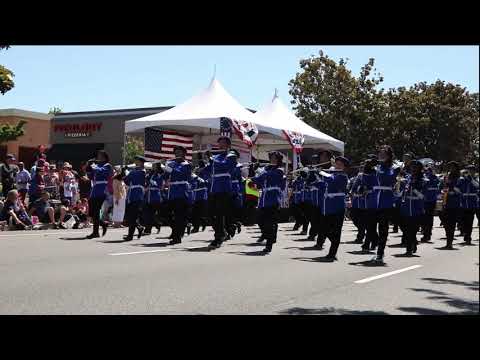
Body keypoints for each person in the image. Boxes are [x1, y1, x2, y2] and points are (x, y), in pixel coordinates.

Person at [203, 136, 237, 249]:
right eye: (219, 144)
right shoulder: (216, 157)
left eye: (223, 143)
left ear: (228, 145)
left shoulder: (231, 155)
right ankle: (222, 232)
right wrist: (203, 162)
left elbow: (226, 167)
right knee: (208, 214)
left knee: (219, 214)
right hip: (213, 188)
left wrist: (212, 159)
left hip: (223, 188)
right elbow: (208, 170)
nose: (220, 146)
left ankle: (218, 237)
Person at [370, 145, 401, 262]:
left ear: (389, 156)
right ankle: (377, 243)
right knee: (370, 226)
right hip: (374, 199)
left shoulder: (394, 168)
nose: (381, 156)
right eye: (380, 154)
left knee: (383, 228)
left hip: (386, 199)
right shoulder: (375, 166)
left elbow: (390, 178)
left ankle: (380, 252)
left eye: (384, 154)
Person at [251, 151, 286, 253]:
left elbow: (268, 176)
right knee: (260, 220)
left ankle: (268, 245)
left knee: (270, 223)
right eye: (271, 158)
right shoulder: (266, 169)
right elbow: (259, 181)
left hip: (274, 199)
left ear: (278, 160)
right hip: (264, 199)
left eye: (275, 158)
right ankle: (268, 236)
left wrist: (259, 171)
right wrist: (253, 173)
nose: (272, 160)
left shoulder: (280, 170)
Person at [316, 156, 349, 261]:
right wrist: (311, 175)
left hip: (337, 206)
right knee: (324, 229)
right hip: (328, 206)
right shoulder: (332, 174)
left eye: (340, 165)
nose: (337, 166)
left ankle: (332, 253)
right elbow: (323, 185)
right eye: (336, 164)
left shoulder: (343, 176)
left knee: (336, 231)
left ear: (344, 167)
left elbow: (331, 180)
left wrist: (320, 172)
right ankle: (333, 250)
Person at [162, 146, 192, 245]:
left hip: (182, 192)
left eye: (179, 152)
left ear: (184, 154)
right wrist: (163, 168)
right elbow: (165, 177)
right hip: (172, 193)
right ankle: (179, 229)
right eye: (176, 152)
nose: (177, 154)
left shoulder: (187, 164)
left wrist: (168, 168)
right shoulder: (171, 164)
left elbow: (181, 174)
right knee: (165, 214)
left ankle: (177, 236)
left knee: (179, 216)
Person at [400, 160, 428, 256]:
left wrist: (415, 189)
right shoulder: (408, 178)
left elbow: (423, 196)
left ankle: (410, 247)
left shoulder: (424, 180)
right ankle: (412, 244)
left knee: (413, 229)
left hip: (417, 207)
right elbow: (403, 191)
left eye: (415, 167)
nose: (413, 169)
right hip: (407, 206)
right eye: (412, 167)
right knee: (406, 229)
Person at [85, 150, 113, 239]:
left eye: (100, 155)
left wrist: (93, 166)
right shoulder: (96, 165)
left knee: (96, 211)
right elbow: (91, 176)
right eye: (98, 155)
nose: (98, 157)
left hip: (102, 189)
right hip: (95, 189)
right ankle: (103, 224)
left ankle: (95, 232)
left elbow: (103, 172)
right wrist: (88, 167)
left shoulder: (107, 165)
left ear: (104, 157)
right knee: (92, 212)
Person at [440, 161, 463, 250]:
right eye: (450, 167)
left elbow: (460, 191)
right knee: (445, 222)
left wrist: (452, 188)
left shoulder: (459, 178)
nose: (451, 169)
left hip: (455, 204)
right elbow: (442, 187)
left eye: (453, 167)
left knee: (451, 224)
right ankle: (448, 239)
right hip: (446, 202)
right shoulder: (447, 177)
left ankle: (449, 242)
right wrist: (443, 189)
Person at [123, 156, 147, 241]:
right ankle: (139, 227)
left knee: (133, 216)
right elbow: (126, 180)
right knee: (129, 216)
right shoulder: (134, 171)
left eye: (137, 161)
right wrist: (124, 172)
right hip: (131, 195)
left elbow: (133, 176)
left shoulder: (142, 171)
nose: (135, 162)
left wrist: (128, 172)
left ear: (141, 162)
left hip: (137, 195)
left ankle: (130, 235)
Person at [459, 165, 479, 245]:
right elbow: (459, 188)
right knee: (462, 220)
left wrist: (471, 180)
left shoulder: (476, 179)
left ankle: (468, 237)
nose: (470, 172)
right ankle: (464, 232)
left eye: (471, 170)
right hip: (463, 202)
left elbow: (477, 186)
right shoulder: (463, 179)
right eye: (468, 170)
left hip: (472, 203)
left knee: (469, 221)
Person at [143, 162, 164, 235]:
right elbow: (146, 182)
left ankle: (148, 229)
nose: (152, 167)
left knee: (151, 214)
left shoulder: (159, 175)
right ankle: (155, 225)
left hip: (155, 196)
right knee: (147, 213)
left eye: (154, 166)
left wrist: (152, 181)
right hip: (148, 195)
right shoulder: (150, 174)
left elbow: (159, 185)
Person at [421, 164, 440, 242]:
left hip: (428, 200)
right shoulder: (435, 178)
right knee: (428, 217)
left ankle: (427, 234)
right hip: (430, 199)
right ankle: (427, 233)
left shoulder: (430, 178)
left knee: (426, 218)